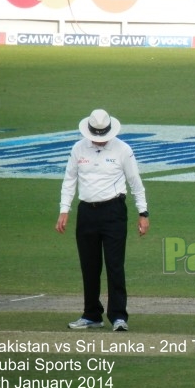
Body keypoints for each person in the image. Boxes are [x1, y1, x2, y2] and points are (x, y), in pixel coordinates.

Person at [55, 109, 150, 332]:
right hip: (86, 212)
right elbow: (69, 180)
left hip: (113, 212)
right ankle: (91, 314)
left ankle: (118, 316)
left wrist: (143, 213)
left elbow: (135, 181)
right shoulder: (78, 148)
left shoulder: (123, 149)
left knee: (115, 265)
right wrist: (64, 210)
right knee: (89, 266)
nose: (99, 141)